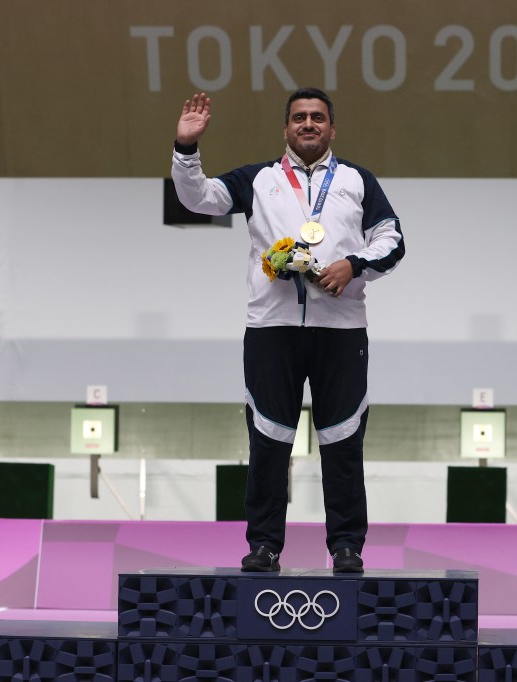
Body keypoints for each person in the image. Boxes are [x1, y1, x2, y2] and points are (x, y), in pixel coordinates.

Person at [171, 87, 405, 573]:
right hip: (272, 328)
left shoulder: (357, 181)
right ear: (286, 128)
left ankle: (345, 547)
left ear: (332, 128)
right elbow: (200, 198)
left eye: (318, 117)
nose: (308, 124)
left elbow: (392, 238)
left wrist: (353, 265)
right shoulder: (259, 180)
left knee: (342, 439)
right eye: (299, 117)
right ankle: (264, 546)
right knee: (268, 439)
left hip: (340, 331)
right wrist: (187, 149)